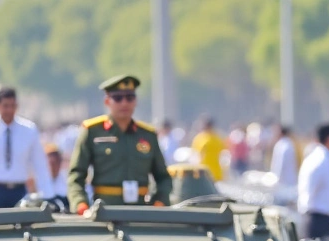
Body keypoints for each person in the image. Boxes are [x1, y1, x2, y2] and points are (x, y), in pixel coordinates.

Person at [67, 76, 171, 213]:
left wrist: (160, 201)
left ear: (136, 101)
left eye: (130, 97)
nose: (124, 103)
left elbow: (163, 177)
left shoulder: (147, 135)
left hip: (141, 212)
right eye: (118, 98)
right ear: (107, 101)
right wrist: (80, 204)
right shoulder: (93, 132)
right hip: (104, 211)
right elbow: (76, 175)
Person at [0, 88, 49, 209]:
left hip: (20, 190)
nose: (9, 110)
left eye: (12, 106)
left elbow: (40, 164)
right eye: (5, 106)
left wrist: (46, 194)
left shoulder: (29, 130)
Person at [297, 122, 329, 240]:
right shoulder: (319, 161)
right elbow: (309, 192)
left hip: (323, 218)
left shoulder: (325, 159)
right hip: (317, 219)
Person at [190, 116, 226, 182]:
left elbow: (223, 155)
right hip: (203, 172)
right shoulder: (199, 138)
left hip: (216, 171)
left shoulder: (218, 138)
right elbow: (195, 156)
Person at [37, 144, 68, 210]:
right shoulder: (35, 181)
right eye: (50, 161)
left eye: (57, 160)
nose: (54, 164)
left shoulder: (67, 180)